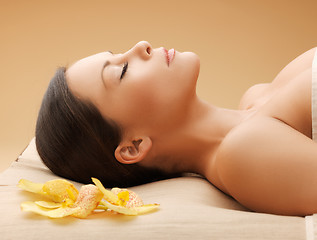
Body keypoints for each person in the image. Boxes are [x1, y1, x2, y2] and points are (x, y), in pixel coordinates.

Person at [36, 41, 317, 216]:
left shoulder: (256, 98)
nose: (141, 46)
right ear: (134, 145)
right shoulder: (243, 154)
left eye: (120, 52)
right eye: (121, 71)